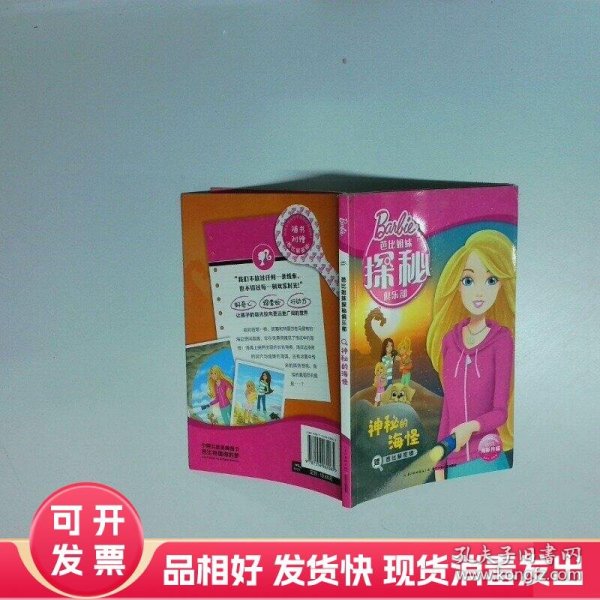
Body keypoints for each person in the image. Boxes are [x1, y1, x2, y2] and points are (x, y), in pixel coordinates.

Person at [426, 230, 515, 481]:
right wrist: (440, 467)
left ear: (501, 285)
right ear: (457, 285)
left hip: (488, 458)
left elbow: (500, 412)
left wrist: (472, 427)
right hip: (454, 464)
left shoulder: (502, 340)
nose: (479, 292)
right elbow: (448, 411)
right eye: (468, 280)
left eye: (491, 280)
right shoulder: (449, 341)